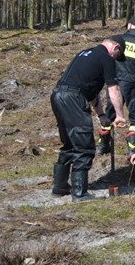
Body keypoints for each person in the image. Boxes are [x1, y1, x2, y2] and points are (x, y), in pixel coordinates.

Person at [50, 38, 127, 200]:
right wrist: (119, 115)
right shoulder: (106, 58)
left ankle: (60, 186)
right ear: (116, 47)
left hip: (58, 95)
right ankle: (79, 193)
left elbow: (92, 94)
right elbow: (114, 89)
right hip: (73, 98)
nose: (116, 59)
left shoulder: (86, 53)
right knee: (84, 145)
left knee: (70, 142)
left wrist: (102, 115)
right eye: (118, 55)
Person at [100, 17, 135, 158]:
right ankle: (133, 148)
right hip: (132, 81)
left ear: (129, 25)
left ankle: (102, 146)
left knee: (110, 112)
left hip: (114, 81)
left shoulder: (119, 40)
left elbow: (107, 56)